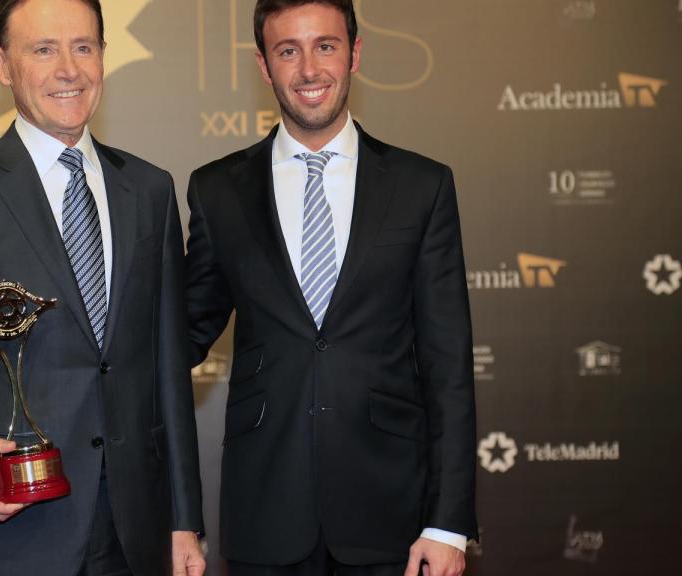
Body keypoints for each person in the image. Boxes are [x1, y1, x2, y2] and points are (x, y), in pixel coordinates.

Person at [0, 1, 205, 574]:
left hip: (134, 539)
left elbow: (167, 370)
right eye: (43, 49)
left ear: (103, 55)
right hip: (7, 531)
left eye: (83, 47)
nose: (68, 69)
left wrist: (184, 519)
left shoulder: (150, 191)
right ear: (3, 65)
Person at [184, 1, 477, 575]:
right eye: (287, 51)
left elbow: (448, 364)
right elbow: (180, 339)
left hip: (391, 514)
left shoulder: (422, 187)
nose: (309, 69)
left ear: (354, 54)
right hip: (264, 511)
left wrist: (447, 524)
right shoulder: (218, 191)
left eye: (326, 46)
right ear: (264, 66)